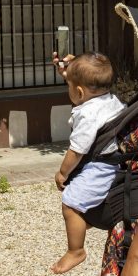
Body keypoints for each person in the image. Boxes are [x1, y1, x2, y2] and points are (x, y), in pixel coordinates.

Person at [51, 51, 125, 274]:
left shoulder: (88, 114)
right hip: (117, 160)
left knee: (70, 202)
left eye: (69, 86)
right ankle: (81, 226)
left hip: (101, 167)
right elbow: (85, 86)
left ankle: (76, 250)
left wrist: (62, 173)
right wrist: (70, 75)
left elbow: (78, 149)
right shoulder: (111, 100)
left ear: (80, 91)